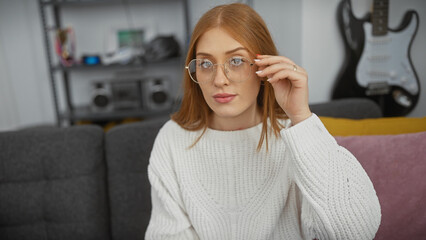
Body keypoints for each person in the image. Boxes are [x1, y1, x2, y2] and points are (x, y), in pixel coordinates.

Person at [145, 3, 381, 240]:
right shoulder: (172, 138)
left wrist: (301, 117)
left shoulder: (297, 135)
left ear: (264, 65)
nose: (219, 80)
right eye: (206, 63)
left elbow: (357, 232)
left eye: (236, 61)